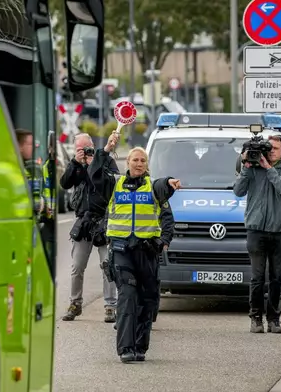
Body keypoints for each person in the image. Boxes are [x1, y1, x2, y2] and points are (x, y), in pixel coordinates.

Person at [96, 136, 180, 363]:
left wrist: (164, 240)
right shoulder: (115, 184)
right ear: (128, 163)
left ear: (147, 164)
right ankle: (125, 348)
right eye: (135, 159)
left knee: (147, 299)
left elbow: (164, 192)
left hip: (146, 251)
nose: (139, 163)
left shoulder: (153, 186)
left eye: (143, 160)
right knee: (128, 295)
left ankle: (140, 346)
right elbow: (96, 175)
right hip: (122, 250)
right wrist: (106, 150)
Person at [233, 134, 281, 334]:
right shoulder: (253, 167)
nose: (272, 151)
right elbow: (238, 191)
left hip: (277, 230)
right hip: (256, 229)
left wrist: (268, 168)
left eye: (276, 148)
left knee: (276, 277)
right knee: (257, 277)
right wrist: (246, 168)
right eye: (270, 148)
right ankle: (255, 318)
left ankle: (274, 319)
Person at [60, 133, 118, 322]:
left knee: (107, 265)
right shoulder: (76, 165)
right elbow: (64, 183)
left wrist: (95, 162)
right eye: (81, 149)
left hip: (103, 219)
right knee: (77, 266)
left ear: (93, 145)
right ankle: (75, 304)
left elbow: (112, 183)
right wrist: (75, 163)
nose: (85, 152)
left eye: (87, 148)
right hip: (83, 221)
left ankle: (110, 305)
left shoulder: (105, 161)